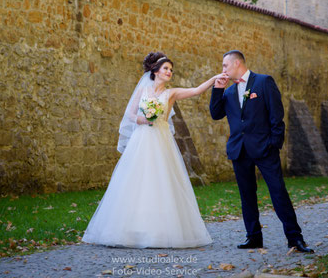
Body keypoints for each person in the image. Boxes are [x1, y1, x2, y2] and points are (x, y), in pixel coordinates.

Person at [82, 52, 227, 248]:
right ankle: (131, 229)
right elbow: (130, 113)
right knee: (136, 181)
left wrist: (214, 79)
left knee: (161, 180)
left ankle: (161, 230)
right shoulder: (143, 90)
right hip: (142, 139)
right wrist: (142, 119)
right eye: (166, 68)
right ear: (155, 71)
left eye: (171, 70)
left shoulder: (172, 93)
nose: (169, 72)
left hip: (161, 140)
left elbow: (196, 90)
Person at [209, 50, 313, 253]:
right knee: (247, 196)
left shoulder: (264, 82)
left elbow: (277, 114)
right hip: (239, 150)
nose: (222, 70)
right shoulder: (229, 92)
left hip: (265, 149)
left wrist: (274, 143)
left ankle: (295, 239)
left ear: (237, 63)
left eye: (225, 66)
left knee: (278, 193)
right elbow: (215, 114)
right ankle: (254, 237)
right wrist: (217, 90)